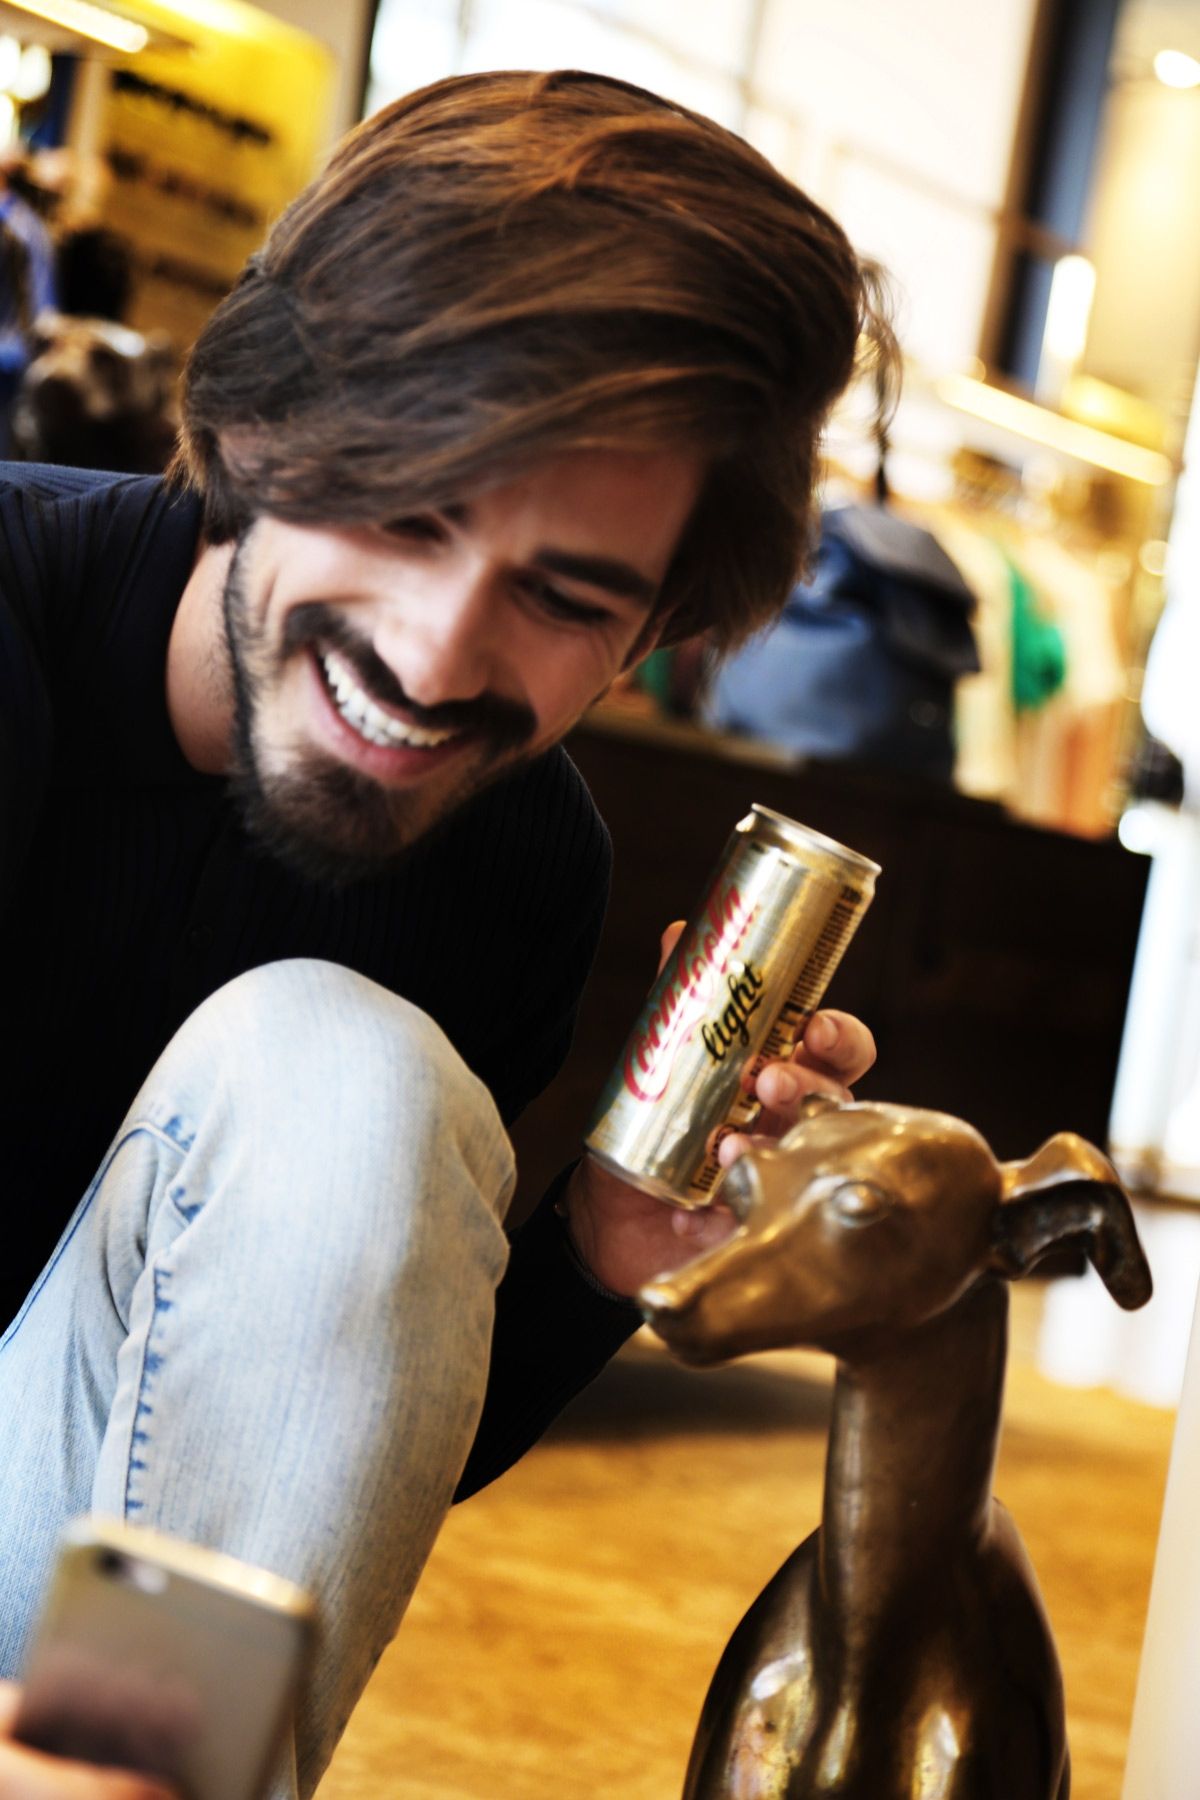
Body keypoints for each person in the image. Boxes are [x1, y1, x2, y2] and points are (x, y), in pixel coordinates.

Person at [0, 69, 892, 1799]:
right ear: (257, 431)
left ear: (647, 638)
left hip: (91, 1689)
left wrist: (600, 1250)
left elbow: (295, 1450)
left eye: (564, 598)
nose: (432, 657)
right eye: (404, 511)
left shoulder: (513, 869)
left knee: (347, 1077)